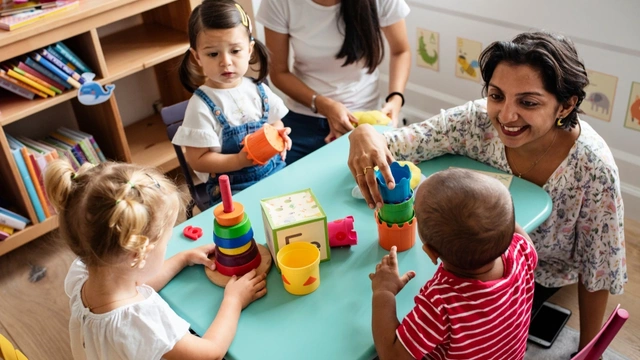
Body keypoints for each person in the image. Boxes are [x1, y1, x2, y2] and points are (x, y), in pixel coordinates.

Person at [349, 31, 627, 352]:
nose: (506, 116)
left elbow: (599, 270)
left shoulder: (594, 168)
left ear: (566, 105)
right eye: (496, 95)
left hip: (537, 275)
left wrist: (590, 349)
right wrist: (364, 133)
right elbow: (401, 142)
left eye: (528, 102)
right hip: (467, 257)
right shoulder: (474, 121)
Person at [44, 160, 267, 360]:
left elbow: (135, 284)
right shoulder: (143, 323)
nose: (168, 248)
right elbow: (209, 353)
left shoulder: (83, 274)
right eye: (166, 243)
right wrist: (234, 301)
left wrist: (183, 258)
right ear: (137, 255)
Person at [371, 168, 537, 359]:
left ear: (432, 254)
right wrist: (496, 216)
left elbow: (392, 355)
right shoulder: (521, 251)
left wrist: (384, 292)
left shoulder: (441, 302)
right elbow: (515, 233)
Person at [256, 0, 411, 164]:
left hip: (363, 118)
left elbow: (401, 51)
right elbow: (279, 73)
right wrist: (323, 105)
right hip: (304, 117)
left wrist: (396, 99)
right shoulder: (279, 3)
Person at [174, 0, 292, 205]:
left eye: (235, 51)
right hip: (232, 190)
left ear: (249, 49)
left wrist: (277, 135)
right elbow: (197, 160)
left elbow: (276, 122)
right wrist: (239, 161)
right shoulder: (201, 105)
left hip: (275, 172)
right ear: (197, 57)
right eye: (213, 54)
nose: (226, 62)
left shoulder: (259, 90)